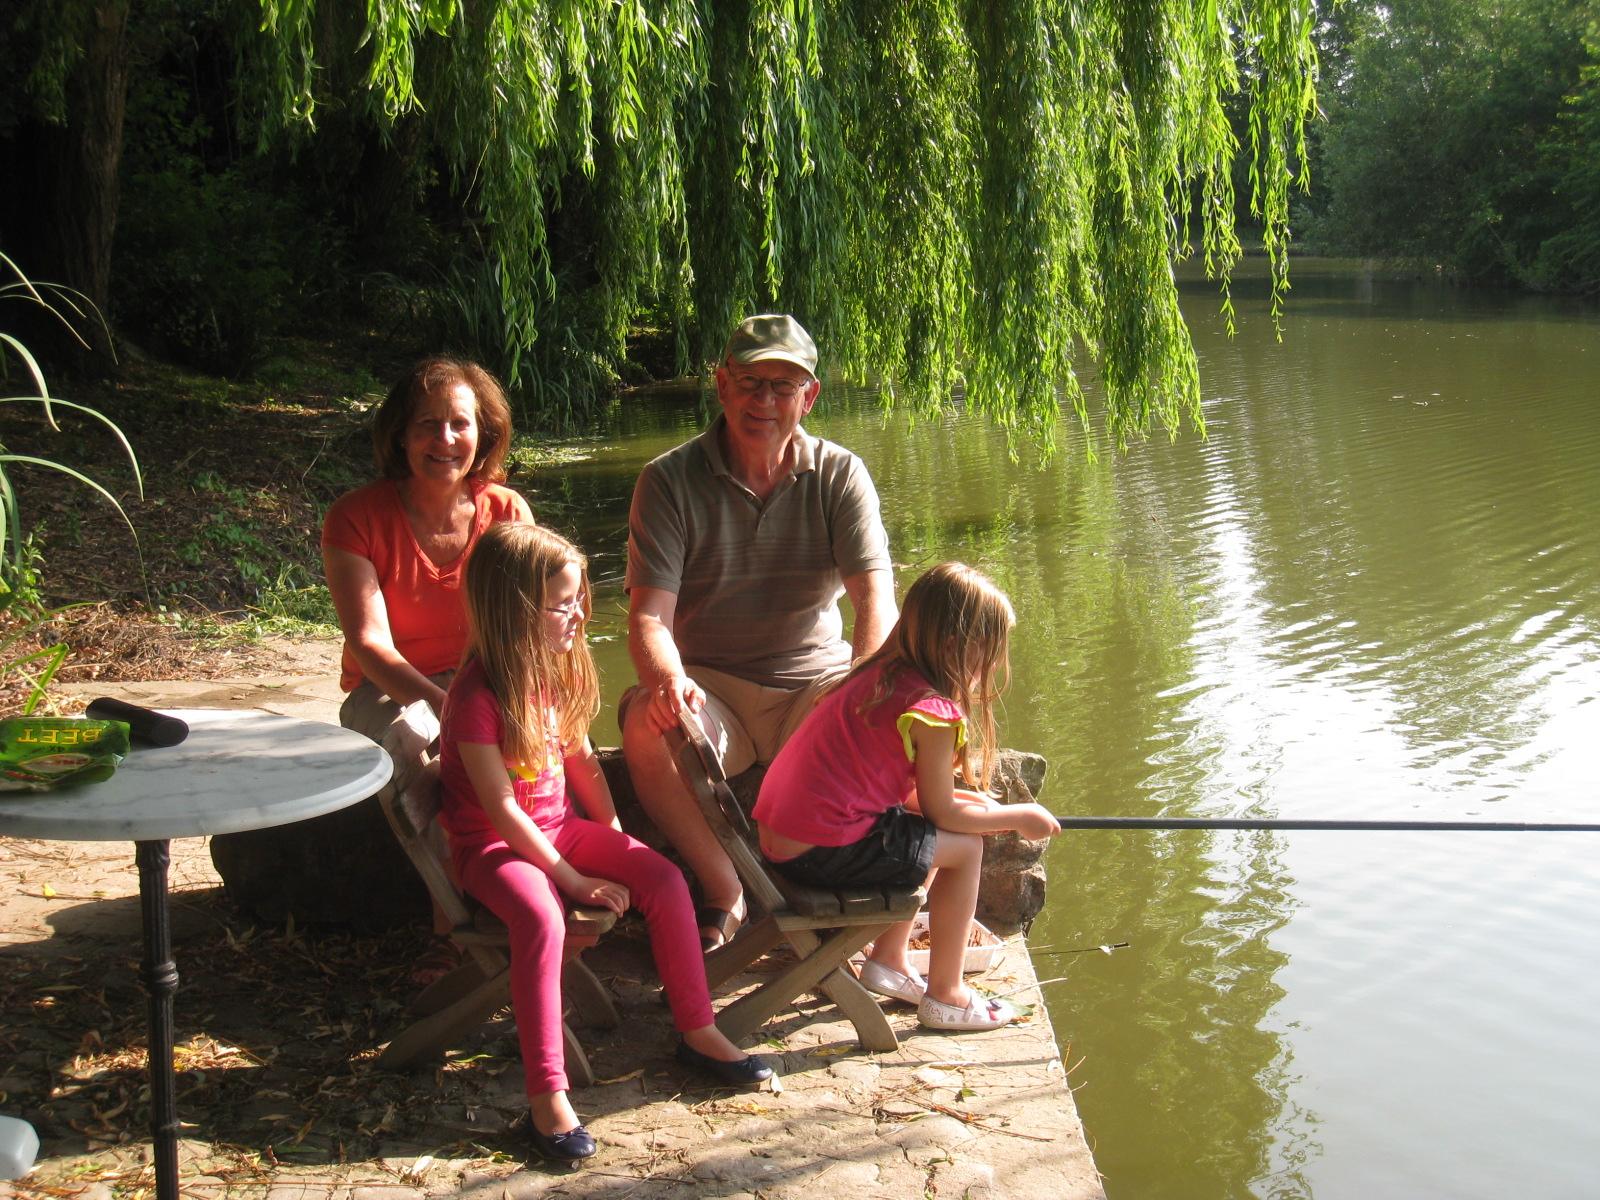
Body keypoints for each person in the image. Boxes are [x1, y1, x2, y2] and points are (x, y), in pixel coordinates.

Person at [439, 522, 772, 1162]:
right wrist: (570, 878)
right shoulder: (477, 696)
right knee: (541, 917)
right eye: (561, 604)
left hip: (559, 830)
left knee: (664, 878)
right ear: (514, 609)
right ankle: (548, 1096)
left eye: (578, 599)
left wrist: (616, 836)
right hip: (494, 848)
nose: (578, 614)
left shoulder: (549, 673)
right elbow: (501, 810)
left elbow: (583, 761)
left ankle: (698, 1030)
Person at [622, 313, 897, 950]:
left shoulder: (841, 474)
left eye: (782, 386)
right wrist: (667, 680)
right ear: (722, 385)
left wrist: (864, 685)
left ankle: (853, 894)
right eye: (750, 383)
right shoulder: (667, 480)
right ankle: (727, 891)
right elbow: (648, 616)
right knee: (644, 722)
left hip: (814, 684)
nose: (764, 401)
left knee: (900, 710)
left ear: (809, 396)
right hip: (711, 688)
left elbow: (874, 599)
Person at [752, 562, 1061, 1032]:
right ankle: (947, 995)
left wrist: (980, 806)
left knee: (931, 836)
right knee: (965, 849)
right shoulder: (931, 711)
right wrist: (1018, 817)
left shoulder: (879, 679)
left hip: (784, 839)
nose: (995, 665)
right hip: (816, 850)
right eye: (991, 650)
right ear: (956, 646)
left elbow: (918, 799)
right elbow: (941, 810)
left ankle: (890, 960)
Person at [322, 356, 532, 976]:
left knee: (543, 749)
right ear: (400, 435)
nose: (445, 439)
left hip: (484, 683)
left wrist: (516, 709)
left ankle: (538, 901)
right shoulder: (356, 516)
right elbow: (369, 645)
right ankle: (454, 932)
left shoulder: (507, 513)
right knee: (431, 765)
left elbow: (525, 631)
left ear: (484, 433)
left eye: (459, 423)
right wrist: (449, 710)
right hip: (388, 692)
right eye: (426, 424)